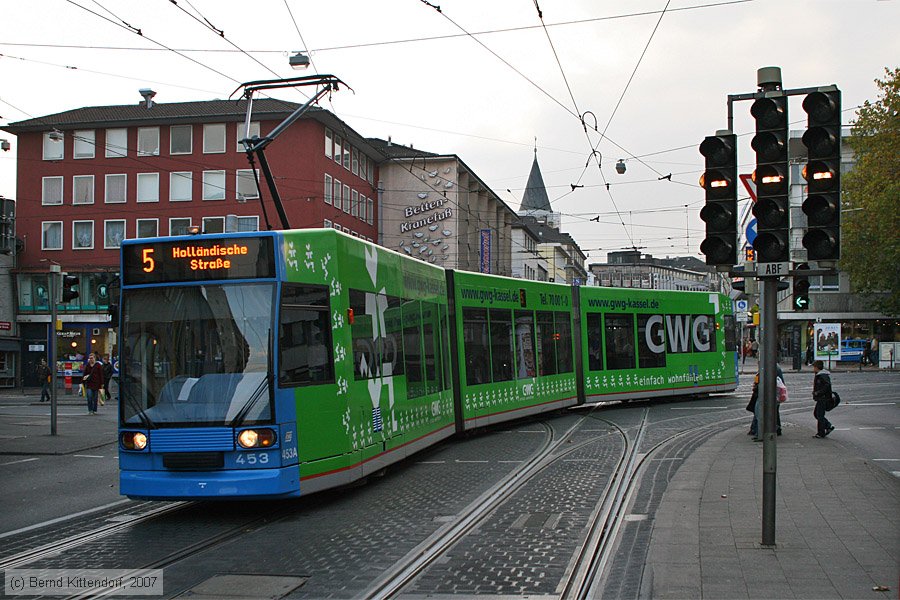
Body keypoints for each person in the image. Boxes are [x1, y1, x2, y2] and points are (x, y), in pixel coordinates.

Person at [747, 361, 783, 440]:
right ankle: (757, 430)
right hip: (767, 394)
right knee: (771, 412)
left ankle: (759, 432)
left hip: (766, 395)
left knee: (760, 412)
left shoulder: (770, 367)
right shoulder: (772, 366)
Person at [812, 359, 834, 438]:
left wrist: (818, 392)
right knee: (816, 414)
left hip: (823, 398)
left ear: (817, 367)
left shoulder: (822, 375)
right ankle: (827, 426)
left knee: (819, 415)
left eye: (814, 367)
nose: (813, 369)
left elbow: (827, 386)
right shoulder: (820, 375)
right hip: (821, 398)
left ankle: (822, 432)